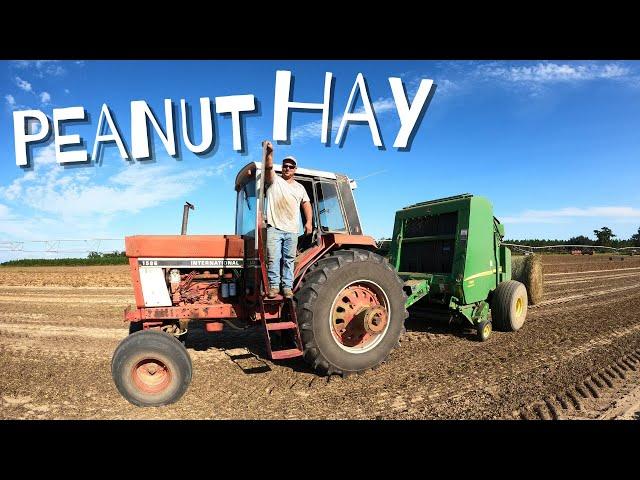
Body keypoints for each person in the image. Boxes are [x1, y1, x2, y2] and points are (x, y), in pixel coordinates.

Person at [263, 140, 313, 298]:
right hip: (274, 228)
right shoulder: (274, 181)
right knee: (273, 258)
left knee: (289, 259)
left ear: (295, 169)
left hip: (292, 229)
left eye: (291, 166)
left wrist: (309, 222)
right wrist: (269, 153)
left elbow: (306, 203)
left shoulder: (299, 188)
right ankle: (274, 286)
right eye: (285, 165)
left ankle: (287, 287)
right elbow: (269, 167)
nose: (287, 168)